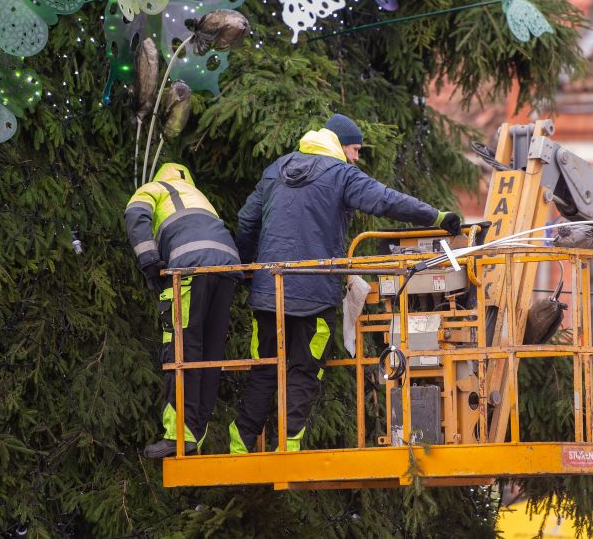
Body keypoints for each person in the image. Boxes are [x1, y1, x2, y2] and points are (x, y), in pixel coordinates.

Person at [229, 113, 461, 453]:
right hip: (315, 293)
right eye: (355, 149)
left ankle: (240, 445)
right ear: (339, 144)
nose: (356, 158)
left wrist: (249, 271)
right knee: (305, 370)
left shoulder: (275, 169)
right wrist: (436, 217)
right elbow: (385, 200)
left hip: (268, 293)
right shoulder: (341, 174)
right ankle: (287, 449)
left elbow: (247, 220)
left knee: (264, 367)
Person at [125, 162, 242, 458]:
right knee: (209, 356)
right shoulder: (199, 197)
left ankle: (179, 436)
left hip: (190, 270)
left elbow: (135, 216)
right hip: (228, 267)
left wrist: (150, 263)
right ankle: (193, 436)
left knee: (182, 350)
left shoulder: (152, 189)